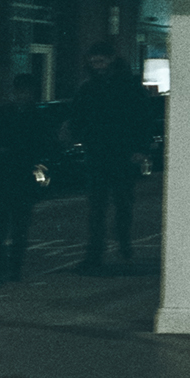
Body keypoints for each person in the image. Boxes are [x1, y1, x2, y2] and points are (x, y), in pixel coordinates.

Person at [69, 43, 150, 271]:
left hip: (121, 153)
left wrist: (139, 148)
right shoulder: (90, 88)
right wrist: (80, 134)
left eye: (101, 61)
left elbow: (142, 119)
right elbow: (77, 116)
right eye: (94, 62)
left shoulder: (127, 86)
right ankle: (97, 252)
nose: (98, 66)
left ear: (111, 60)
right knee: (98, 206)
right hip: (99, 153)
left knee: (121, 202)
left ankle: (121, 241)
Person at [0, 73, 52, 280]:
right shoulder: (8, 113)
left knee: (16, 227)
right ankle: (3, 267)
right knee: (3, 226)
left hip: (18, 175)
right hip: (9, 175)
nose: (21, 96)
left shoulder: (33, 116)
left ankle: (12, 268)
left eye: (24, 92)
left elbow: (38, 146)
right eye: (19, 92)